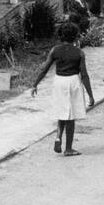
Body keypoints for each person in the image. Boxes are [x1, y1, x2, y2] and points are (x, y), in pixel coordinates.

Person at [30, 21, 95, 156]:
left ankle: (58, 136)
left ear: (61, 35)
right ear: (76, 36)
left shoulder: (55, 50)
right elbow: (84, 75)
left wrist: (35, 84)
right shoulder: (79, 53)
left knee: (62, 111)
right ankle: (68, 148)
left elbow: (44, 69)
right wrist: (90, 95)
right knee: (71, 117)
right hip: (73, 81)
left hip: (59, 81)